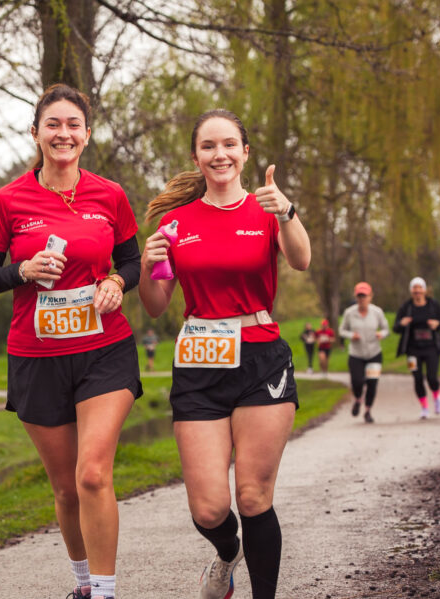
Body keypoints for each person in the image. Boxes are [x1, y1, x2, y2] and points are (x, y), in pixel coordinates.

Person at [0, 83, 143, 599]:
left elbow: (133, 263)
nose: (63, 133)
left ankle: (107, 594)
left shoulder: (109, 194)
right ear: (36, 133)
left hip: (105, 350)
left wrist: (115, 282)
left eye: (73, 125)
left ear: (86, 136)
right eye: (53, 124)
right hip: (37, 356)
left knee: (92, 474)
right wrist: (20, 270)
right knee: (67, 488)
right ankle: (85, 585)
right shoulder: (8, 200)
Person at [138, 109, 310, 599]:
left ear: (245, 153)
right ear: (197, 156)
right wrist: (151, 267)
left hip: (261, 360)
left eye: (230, 144)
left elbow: (300, 259)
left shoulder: (267, 211)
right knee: (209, 509)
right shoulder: (174, 224)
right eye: (209, 146)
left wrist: (288, 211)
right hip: (199, 363)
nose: (220, 154)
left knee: (253, 496)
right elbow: (154, 308)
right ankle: (226, 551)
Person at [393, 276, 440, 419]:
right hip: (412, 349)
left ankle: (437, 397)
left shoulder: (433, 304)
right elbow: (396, 327)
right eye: (414, 288)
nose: (417, 291)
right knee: (417, 378)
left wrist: (438, 324)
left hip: (431, 347)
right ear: (411, 290)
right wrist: (402, 323)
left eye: (420, 287)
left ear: (424, 290)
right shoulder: (406, 307)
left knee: (431, 377)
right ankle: (424, 408)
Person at [338, 282, 390, 423]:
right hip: (356, 354)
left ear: (370, 296)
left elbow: (386, 329)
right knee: (357, 381)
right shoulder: (349, 313)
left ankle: (367, 411)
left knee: (372, 383)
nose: (362, 299)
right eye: (359, 296)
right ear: (356, 297)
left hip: (374, 353)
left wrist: (381, 334)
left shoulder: (377, 312)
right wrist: (351, 335)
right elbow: (341, 330)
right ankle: (358, 399)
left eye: (364, 296)